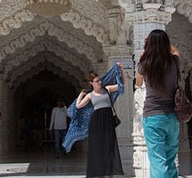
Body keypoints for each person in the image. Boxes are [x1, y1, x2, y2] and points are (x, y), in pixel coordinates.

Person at [135, 29, 181, 178]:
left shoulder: (146, 64)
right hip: (172, 117)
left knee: (157, 160)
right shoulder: (173, 61)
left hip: (153, 116)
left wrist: (146, 50)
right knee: (170, 158)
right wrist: (165, 44)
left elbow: (138, 82)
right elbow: (176, 52)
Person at [76, 63, 125, 177]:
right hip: (96, 122)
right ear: (91, 83)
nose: (99, 83)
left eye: (100, 80)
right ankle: (98, 172)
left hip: (108, 120)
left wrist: (121, 71)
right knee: (97, 147)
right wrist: (81, 94)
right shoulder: (90, 95)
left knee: (109, 146)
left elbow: (121, 85)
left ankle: (110, 172)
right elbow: (78, 106)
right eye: (97, 81)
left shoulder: (107, 89)